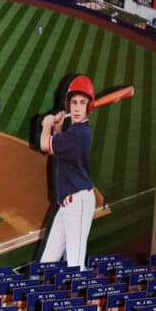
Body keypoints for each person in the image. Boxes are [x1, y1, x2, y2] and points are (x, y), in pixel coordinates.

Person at [38, 75, 96, 270]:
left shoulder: (80, 133)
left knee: (75, 266)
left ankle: (82, 300)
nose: (77, 108)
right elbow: (59, 146)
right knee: (47, 264)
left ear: (89, 106)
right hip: (67, 206)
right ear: (68, 104)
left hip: (78, 204)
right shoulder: (75, 133)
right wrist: (57, 128)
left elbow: (45, 145)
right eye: (74, 102)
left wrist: (46, 124)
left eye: (82, 103)